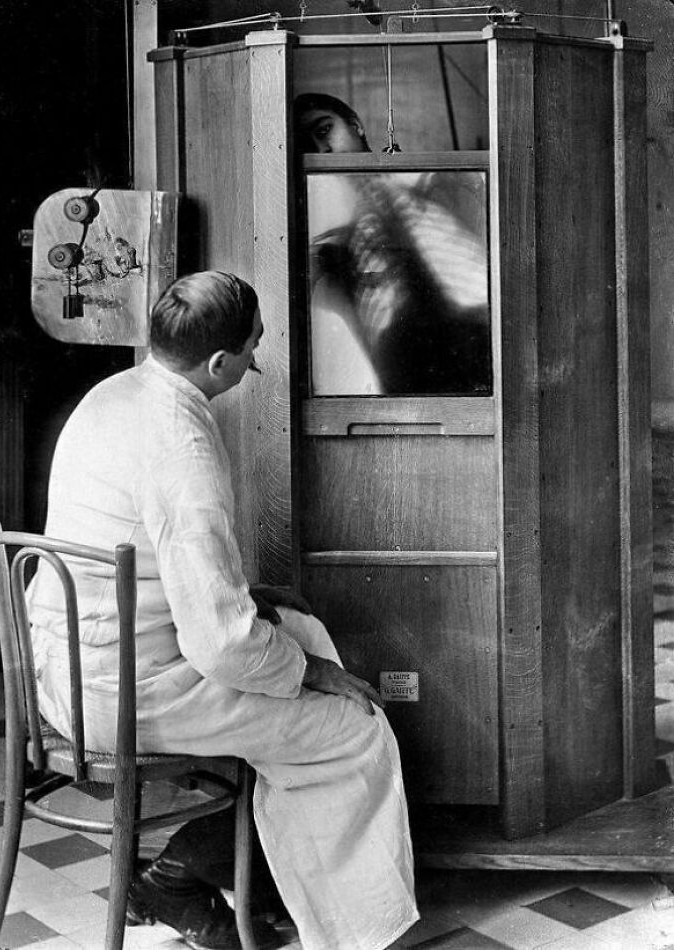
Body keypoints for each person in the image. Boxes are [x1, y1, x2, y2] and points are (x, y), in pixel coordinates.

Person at [26, 271, 419, 950]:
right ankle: (190, 880)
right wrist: (310, 676)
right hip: (130, 693)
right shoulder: (182, 442)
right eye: (253, 350)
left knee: (300, 634)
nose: (255, 360)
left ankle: (247, 876)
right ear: (218, 363)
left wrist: (264, 612)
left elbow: (159, 567)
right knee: (355, 729)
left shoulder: (113, 394)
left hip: (68, 669)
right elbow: (221, 645)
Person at [294, 92, 492, 397]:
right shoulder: (330, 236)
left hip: (477, 343)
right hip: (402, 373)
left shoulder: (436, 183)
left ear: (356, 125)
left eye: (324, 130)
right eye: (307, 145)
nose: (323, 148)